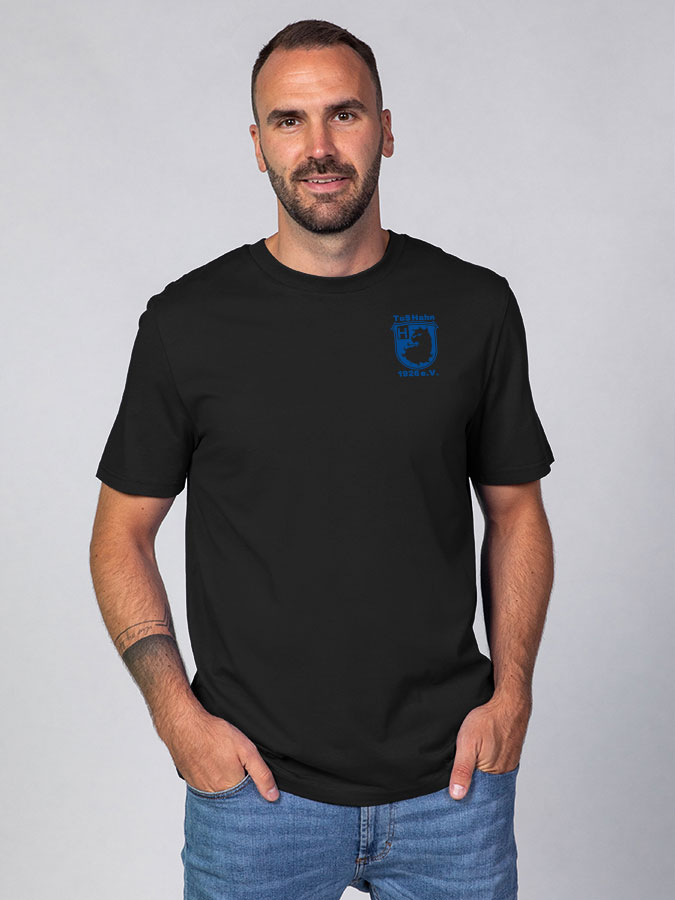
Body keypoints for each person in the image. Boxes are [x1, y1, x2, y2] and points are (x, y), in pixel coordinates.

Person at [89, 18, 555, 900]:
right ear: (257, 144)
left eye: (344, 114)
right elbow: (119, 534)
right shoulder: (188, 324)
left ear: (386, 129)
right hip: (255, 795)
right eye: (288, 120)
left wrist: (513, 697)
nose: (319, 147)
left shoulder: (473, 307)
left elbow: (515, 511)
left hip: (451, 791)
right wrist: (177, 719)